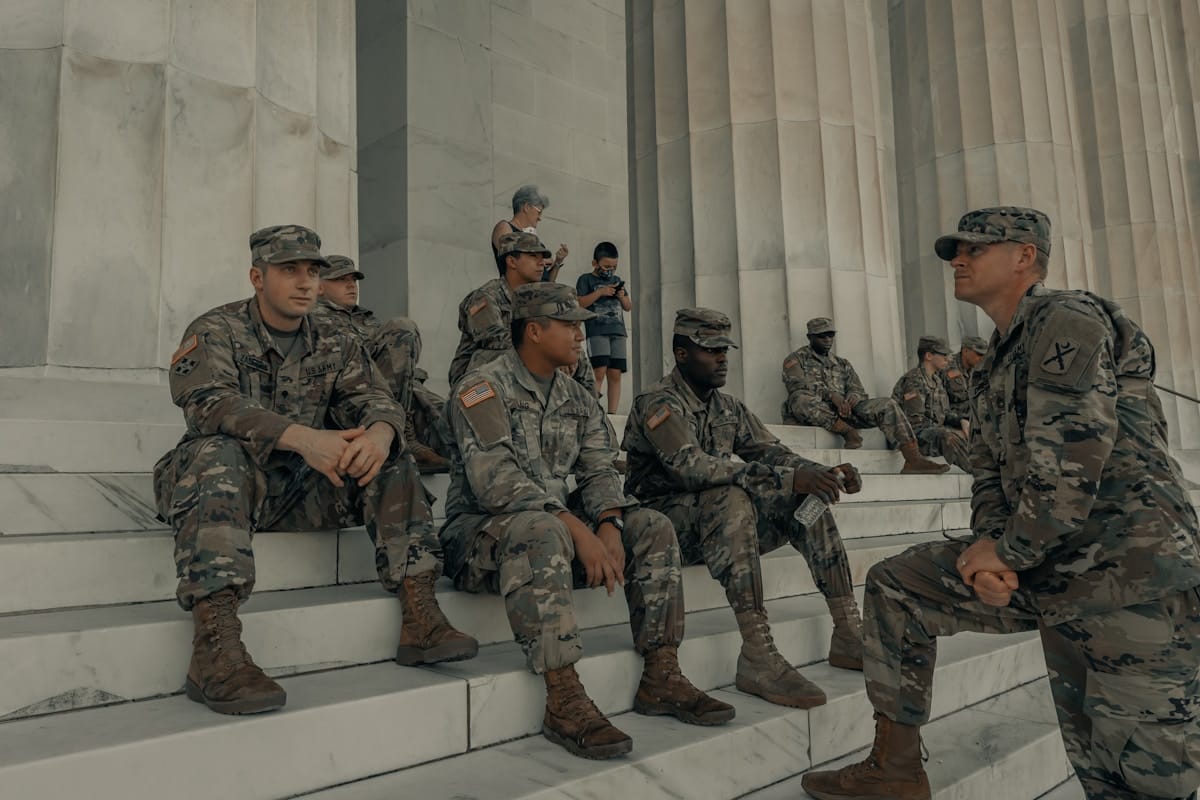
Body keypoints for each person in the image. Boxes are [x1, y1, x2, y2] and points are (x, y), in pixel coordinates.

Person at [801, 207, 1200, 800]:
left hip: (1132, 574)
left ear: (1024, 257)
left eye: (976, 249)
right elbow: (988, 470)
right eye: (956, 251)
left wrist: (1010, 549)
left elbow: (1071, 458)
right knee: (897, 583)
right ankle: (896, 769)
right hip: (1050, 567)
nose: (958, 260)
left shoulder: (1065, 319)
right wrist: (992, 551)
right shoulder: (996, 361)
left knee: (1141, 778)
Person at [152, 225, 477, 716]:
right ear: (257, 277)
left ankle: (421, 614)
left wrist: (379, 433)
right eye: (289, 270)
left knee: (386, 451)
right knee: (218, 453)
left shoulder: (336, 338)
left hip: (300, 490)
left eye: (312, 271)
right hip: (223, 488)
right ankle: (214, 646)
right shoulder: (216, 329)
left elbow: (375, 399)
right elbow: (206, 402)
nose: (305, 282)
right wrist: (306, 439)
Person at [440, 283, 734, 760]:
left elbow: (599, 467)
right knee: (543, 528)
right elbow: (495, 481)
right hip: (482, 537)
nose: (582, 334)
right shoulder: (482, 387)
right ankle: (564, 697)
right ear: (533, 331)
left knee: (653, 526)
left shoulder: (577, 395)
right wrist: (578, 529)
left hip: (557, 537)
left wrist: (609, 524)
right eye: (570, 324)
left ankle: (662, 673)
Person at [623, 308, 865, 711]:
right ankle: (757, 650)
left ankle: (847, 630)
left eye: (725, 349)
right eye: (710, 350)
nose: (722, 359)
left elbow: (773, 452)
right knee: (731, 495)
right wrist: (786, 478)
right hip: (665, 528)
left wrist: (824, 473)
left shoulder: (727, 407)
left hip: (719, 530)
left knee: (808, 500)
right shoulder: (657, 403)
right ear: (681, 354)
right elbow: (691, 467)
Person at [314, 254, 448, 472]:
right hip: (351, 394)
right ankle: (401, 435)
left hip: (391, 389)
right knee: (402, 327)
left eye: (354, 280)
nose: (351, 285)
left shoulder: (367, 319)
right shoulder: (312, 318)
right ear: (319, 288)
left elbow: (396, 361)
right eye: (341, 280)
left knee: (449, 414)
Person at [781, 317, 949, 475]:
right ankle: (847, 432)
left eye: (831, 335)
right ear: (809, 337)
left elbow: (858, 389)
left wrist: (853, 397)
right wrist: (831, 395)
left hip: (846, 411)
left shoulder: (842, 363)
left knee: (887, 404)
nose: (827, 339)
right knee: (799, 399)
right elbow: (797, 386)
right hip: (819, 410)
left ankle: (913, 458)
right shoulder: (796, 359)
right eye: (821, 336)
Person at [450, 231, 595, 394]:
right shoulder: (485, 297)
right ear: (511, 261)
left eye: (543, 257)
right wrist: (550, 354)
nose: (542, 263)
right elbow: (492, 338)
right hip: (477, 378)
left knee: (575, 352)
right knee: (500, 354)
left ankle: (590, 406)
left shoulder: (537, 301)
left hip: (524, 370)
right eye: (534, 257)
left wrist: (560, 352)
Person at [890, 336, 972, 473]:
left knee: (972, 430)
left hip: (929, 433)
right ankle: (979, 473)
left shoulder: (936, 381)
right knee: (947, 435)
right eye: (943, 355)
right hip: (911, 439)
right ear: (928, 356)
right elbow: (915, 424)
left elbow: (944, 414)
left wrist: (961, 421)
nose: (948, 359)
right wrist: (952, 431)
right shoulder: (914, 380)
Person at [576, 242, 631, 413]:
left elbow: (628, 306)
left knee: (615, 373)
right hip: (597, 331)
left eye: (614, 267)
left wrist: (621, 296)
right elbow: (579, 303)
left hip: (618, 332)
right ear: (595, 263)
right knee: (598, 370)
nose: (610, 270)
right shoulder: (586, 279)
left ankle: (612, 413)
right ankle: (593, 410)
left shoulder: (616, 280)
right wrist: (600, 292)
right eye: (606, 266)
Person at [490, 184, 569, 282]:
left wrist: (557, 262)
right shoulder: (504, 227)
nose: (540, 218)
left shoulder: (532, 237)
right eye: (539, 212)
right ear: (527, 207)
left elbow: (547, 282)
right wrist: (541, 261)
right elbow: (512, 256)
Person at [943, 335, 987, 430]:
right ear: (965, 351)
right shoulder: (946, 368)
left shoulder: (979, 369)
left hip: (975, 416)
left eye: (984, 355)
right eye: (978, 354)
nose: (982, 359)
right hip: (954, 420)